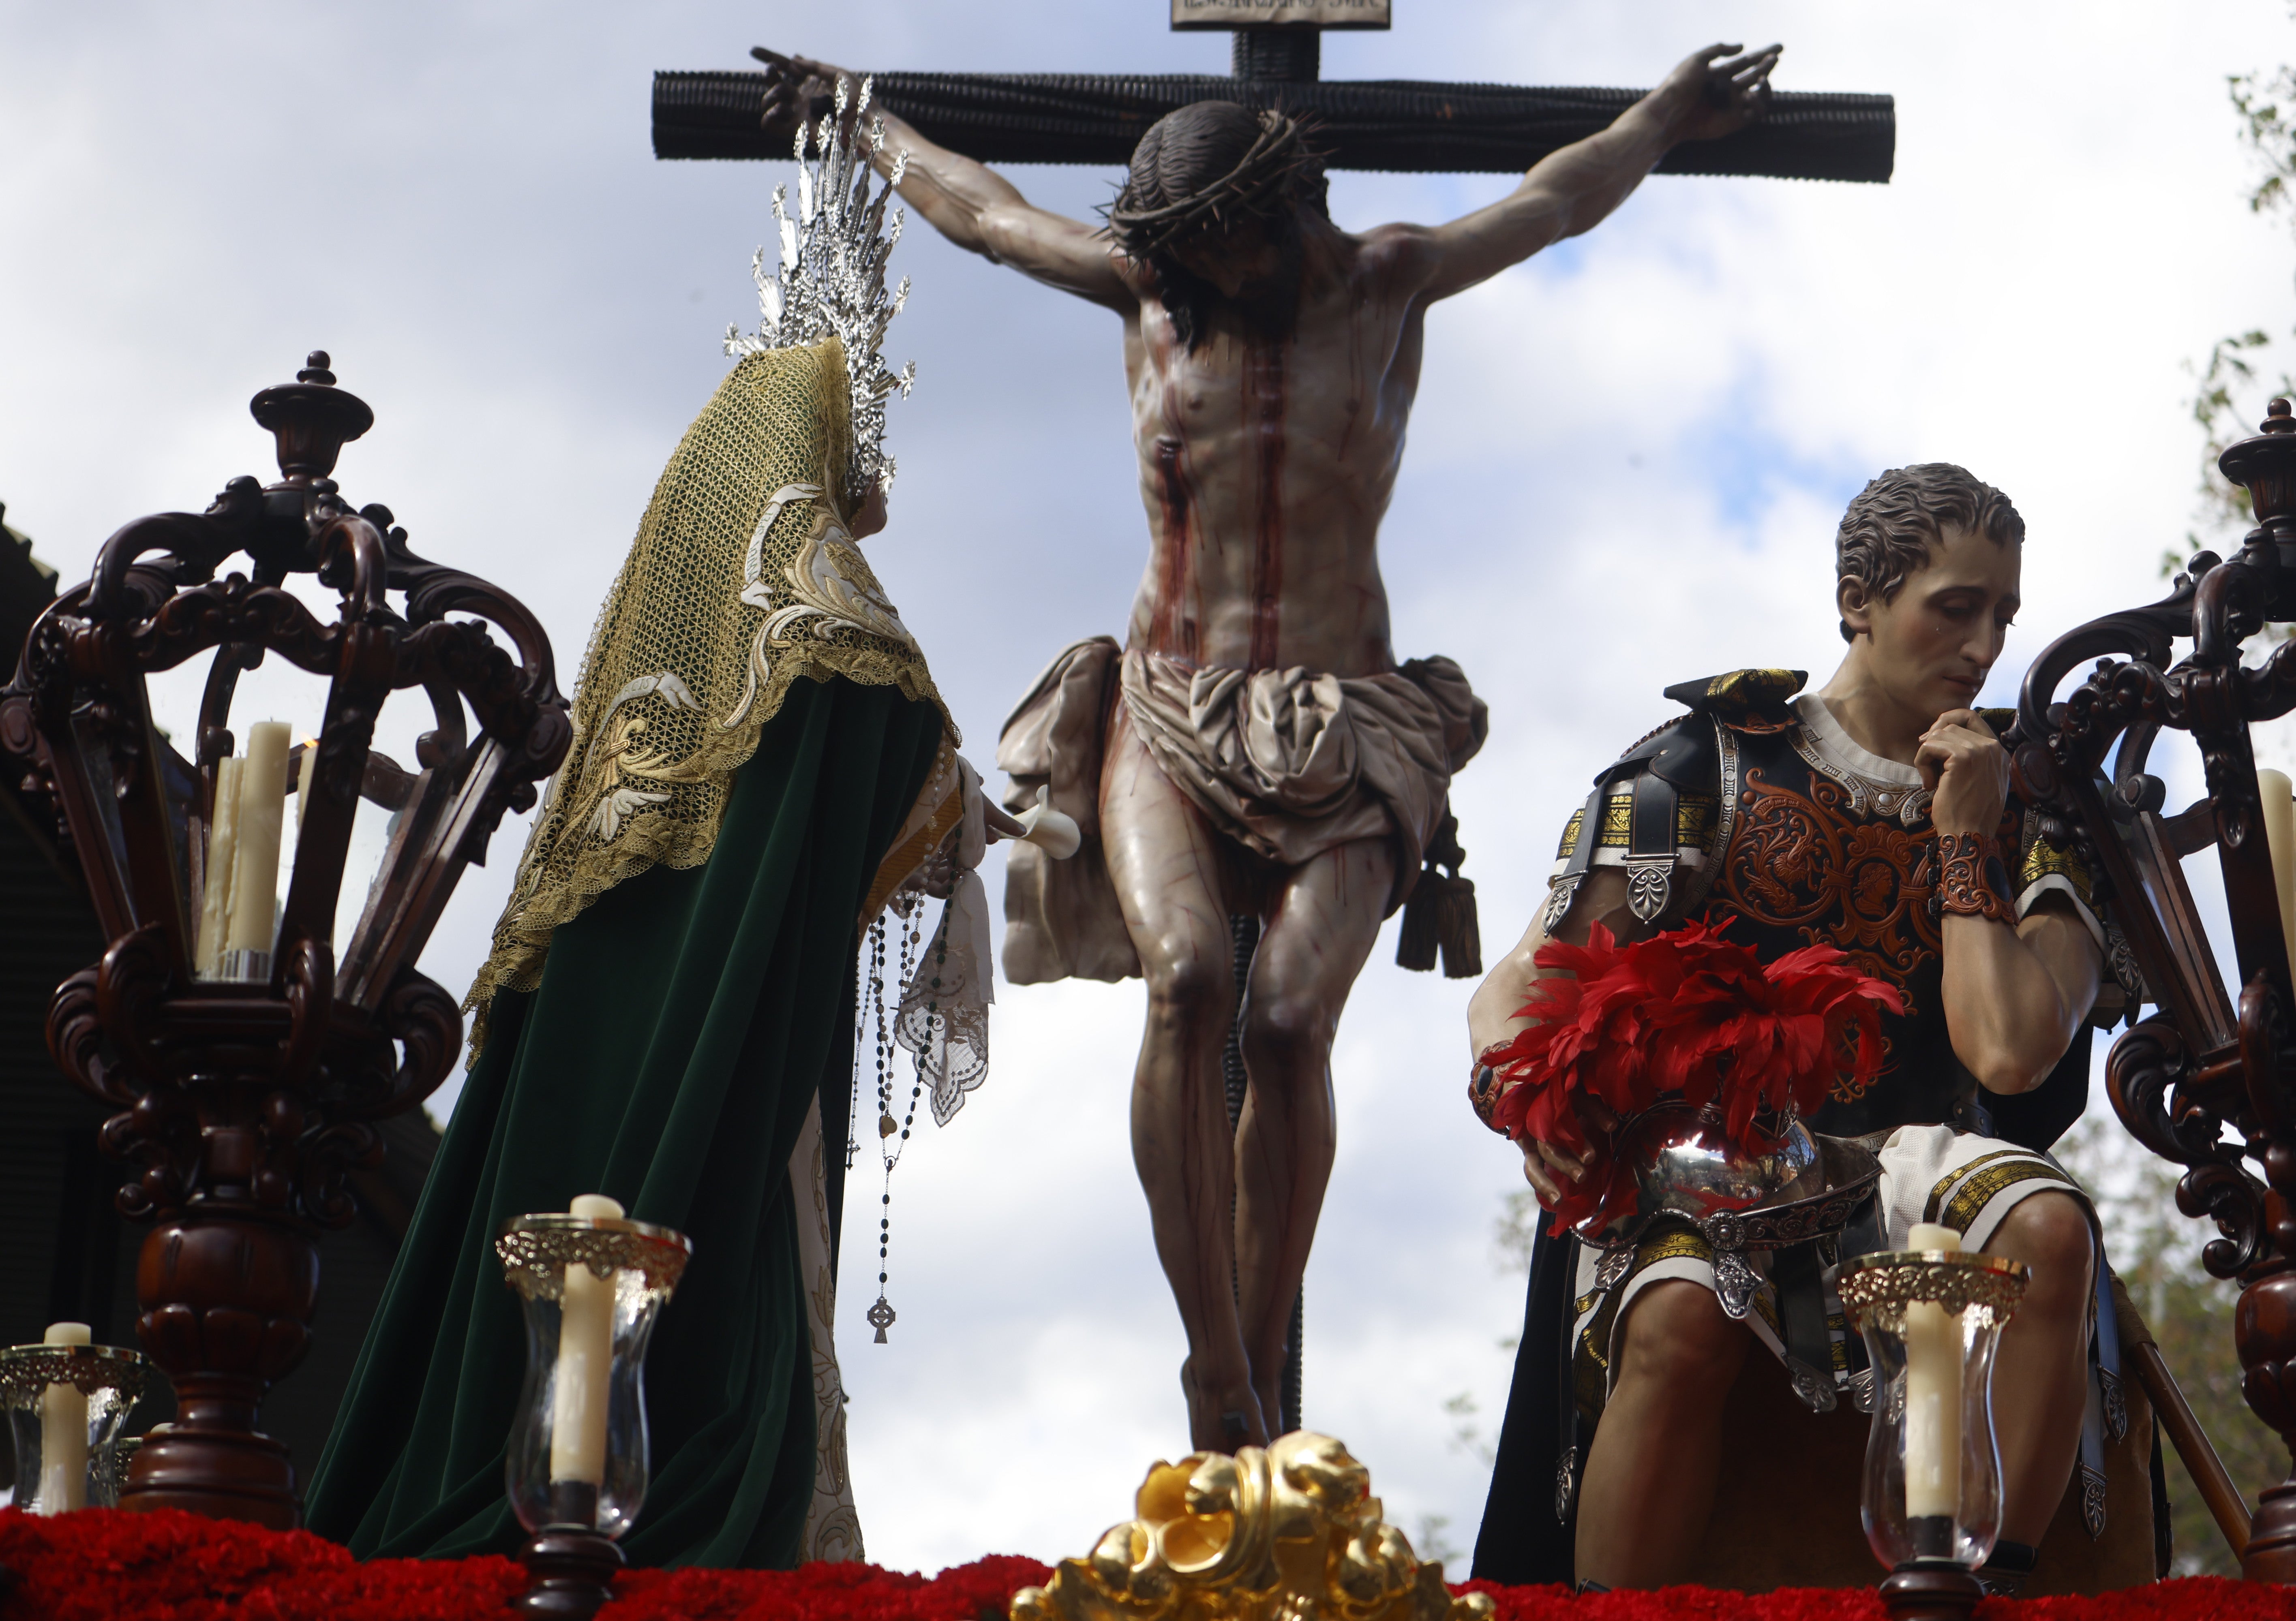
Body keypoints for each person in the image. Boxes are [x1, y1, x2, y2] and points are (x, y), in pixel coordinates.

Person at [758, 40, 1783, 1451]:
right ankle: (1216, 1373)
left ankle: (1253, 1347)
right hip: (1171, 706)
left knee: (1291, 1020)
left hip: (1350, 723)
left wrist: (1668, 113)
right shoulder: (1152, 292)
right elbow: (988, 217)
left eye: (1217, 251)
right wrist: (864, 123)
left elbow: (1555, 199)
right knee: (1186, 980)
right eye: (1175, 258)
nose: (1196, 279)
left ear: (1286, 211)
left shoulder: (1390, 278)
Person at [304, 109, 1009, 1567]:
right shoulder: (817, 622)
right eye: (856, 444)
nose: (872, 485)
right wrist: (954, 796)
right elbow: (887, 718)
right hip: (721, 1069)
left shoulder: (666, 669)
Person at [1466, 465, 2120, 1591]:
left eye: (2003, 616)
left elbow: (2010, 1054)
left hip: (1925, 1163)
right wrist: (1519, 1094)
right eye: (1955, 608)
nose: (1983, 647)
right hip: (1716, 1156)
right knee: (1683, 1312)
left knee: (2053, 1228)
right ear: (1859, 600)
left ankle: (1992, 1590)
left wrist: (1966, 838)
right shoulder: (1707, 764)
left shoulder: (2040, 809)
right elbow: (1532, 976)